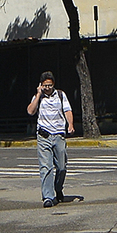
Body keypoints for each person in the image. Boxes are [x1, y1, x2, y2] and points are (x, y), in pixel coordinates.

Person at [27, 69, 72, 207]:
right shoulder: (38, 97)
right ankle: (48, 196)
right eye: (45, 85)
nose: (47, 88)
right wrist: (38, 93)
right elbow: (30, 111)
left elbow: (67, 110)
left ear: (53, 85)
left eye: (50, 86)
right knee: (46, 167)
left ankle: (57, 189)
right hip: (43, 135)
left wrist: (70, 124)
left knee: (61, 167)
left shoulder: (60, 95)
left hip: (58, 135)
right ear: (41, 85)